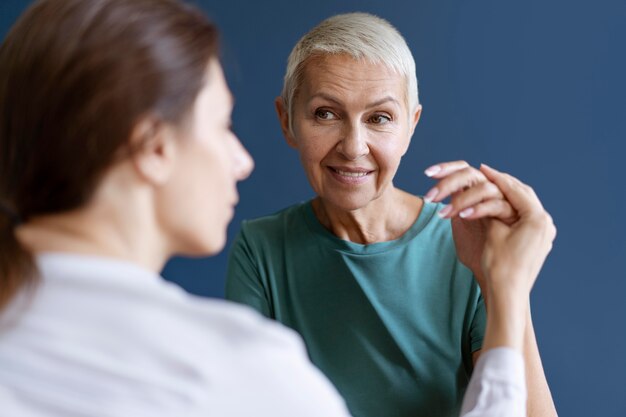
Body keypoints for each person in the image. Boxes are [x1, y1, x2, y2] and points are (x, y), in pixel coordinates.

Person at [0, 1, 554, 416]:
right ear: (154, 146)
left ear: (412, 124)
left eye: (380, 118)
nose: (241, 159)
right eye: (220, 125)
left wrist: (506, 293)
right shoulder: (235, 361)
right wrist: (508, 290)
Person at [226, 12, 558, 417]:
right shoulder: (261, 250)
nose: (353, 146)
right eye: (325, 114)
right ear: (287, 121)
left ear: (410, 125)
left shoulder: (468, 240)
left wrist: (504, 281)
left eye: (379, 118)